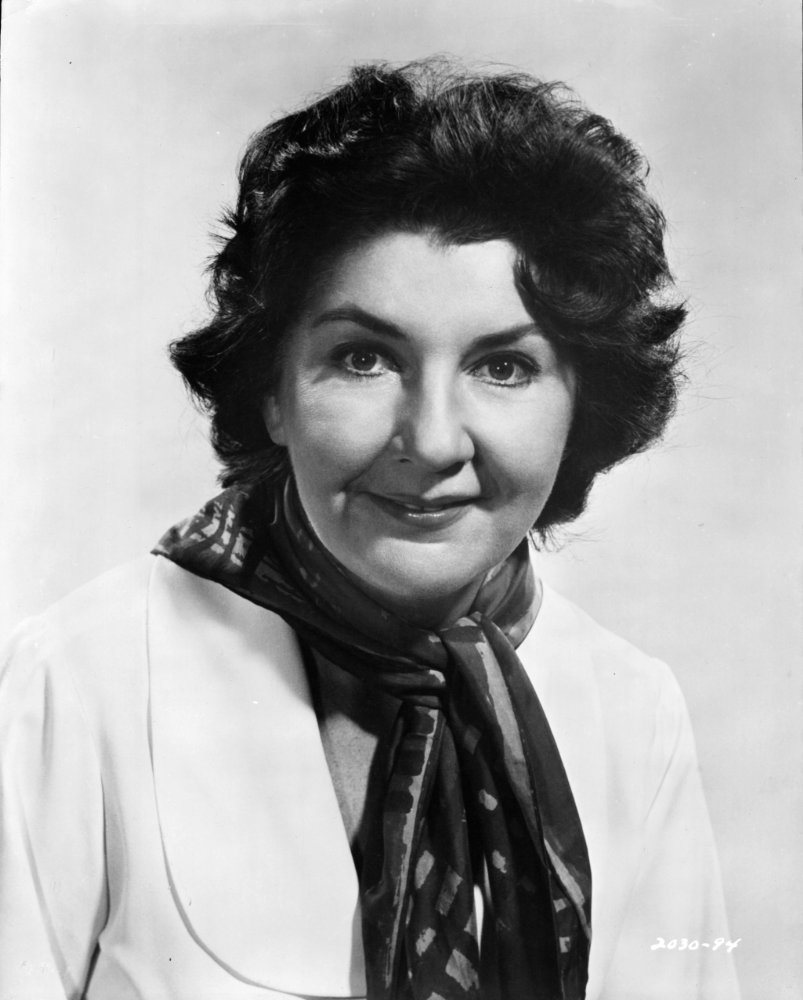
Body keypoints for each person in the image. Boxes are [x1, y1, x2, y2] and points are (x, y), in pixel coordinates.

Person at [0, 60, 740, 1000]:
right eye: (362, 358)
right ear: (271, 392)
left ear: (579, 407)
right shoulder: (79, 679)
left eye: (504, 367)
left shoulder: (632, 711)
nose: (431, 441)